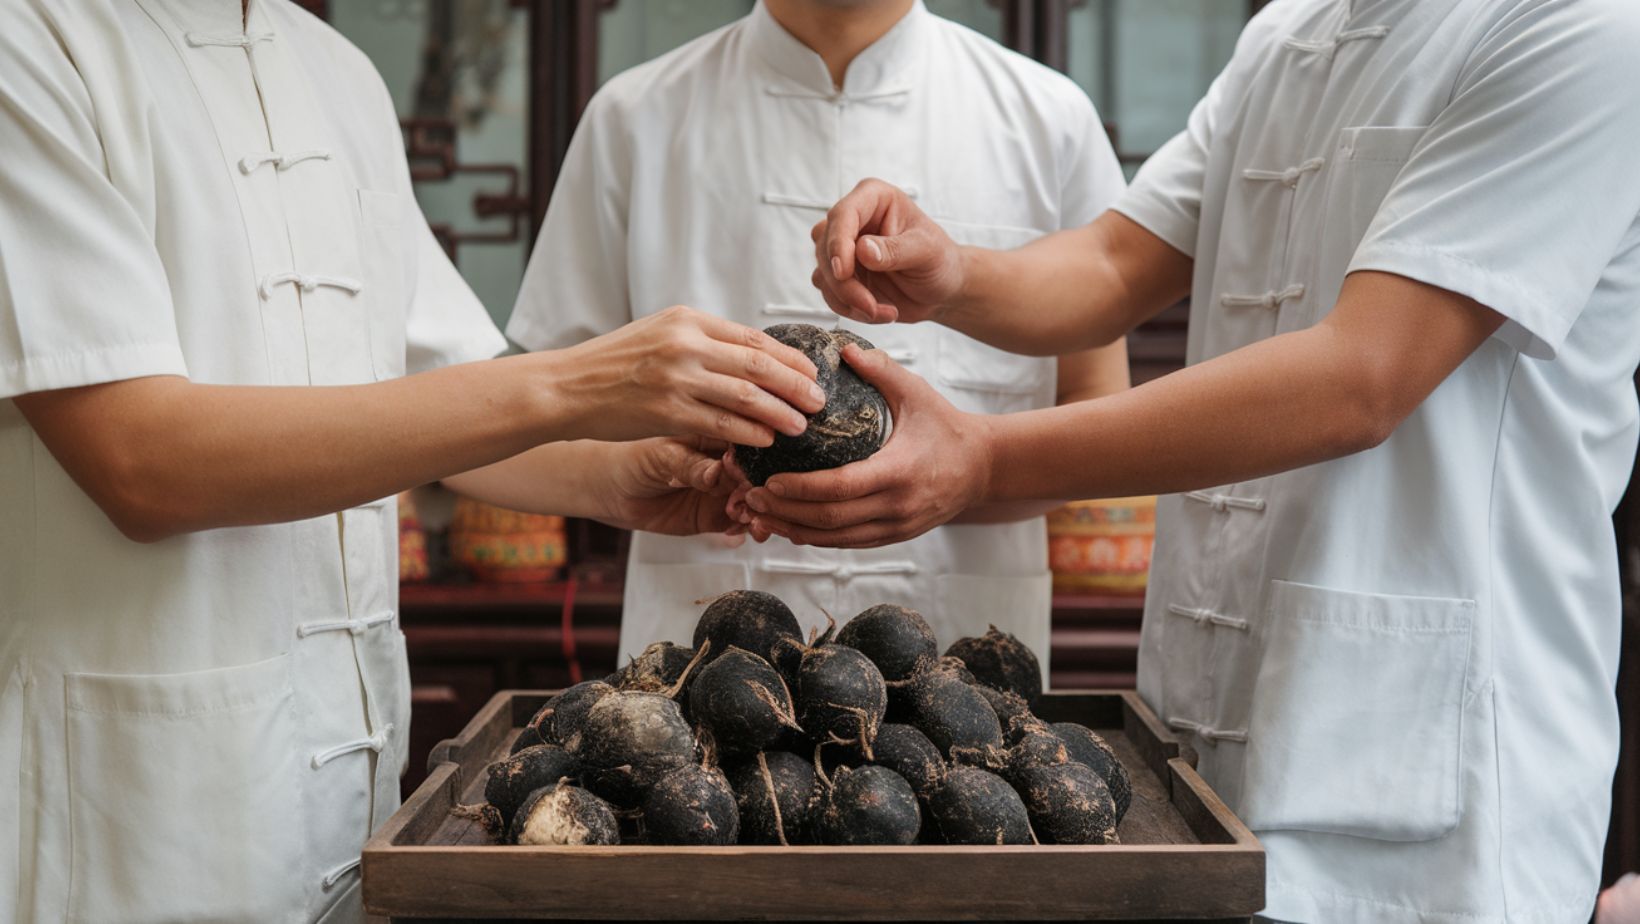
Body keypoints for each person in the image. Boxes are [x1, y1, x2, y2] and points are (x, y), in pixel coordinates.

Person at [744, 0, 1640, 920]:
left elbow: (1362, 378)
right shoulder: (1289, 32)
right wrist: (954, 273)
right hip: (1207, 747)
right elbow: (1114, 267)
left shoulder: (1578, 27)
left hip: (1435, 777)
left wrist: (983, 461)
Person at [0, 1, 821, 921]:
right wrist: (582, 382)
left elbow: (444, 406)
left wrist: (614, 477)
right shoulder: (32, 43)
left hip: (355, 803)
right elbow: (140, 461)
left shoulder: (339, 73)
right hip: (132, 811)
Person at [507, 0, 1130, 666]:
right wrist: (651, 469)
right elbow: (532, 424)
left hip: (963, 650)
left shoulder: (1049, 117)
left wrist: (966, 477)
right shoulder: (633, 118)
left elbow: (1099, 409)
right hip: (702, 654)